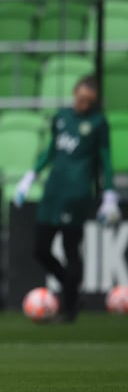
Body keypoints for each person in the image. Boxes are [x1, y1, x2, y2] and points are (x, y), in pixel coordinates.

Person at [14, 75, 120, 322]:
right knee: (40, 249)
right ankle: (71, 291)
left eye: (88, 101)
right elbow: (51, 150)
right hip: (53, 190)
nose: (82, 104)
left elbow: (105, 160)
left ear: (94, 102)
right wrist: (30, 176)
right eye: (80, 98)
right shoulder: (61, 117)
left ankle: (69, 309)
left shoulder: (97, 123)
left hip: (77, 192)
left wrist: (110, 195)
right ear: (74, 93)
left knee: (70, 248)